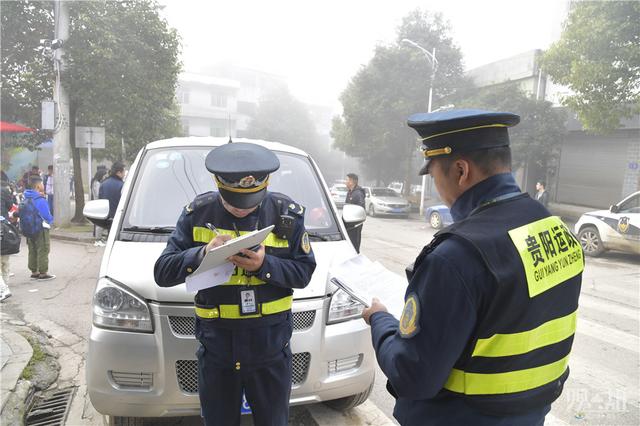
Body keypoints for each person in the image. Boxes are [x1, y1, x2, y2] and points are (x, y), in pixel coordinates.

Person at [362, 109, 583, 426]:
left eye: (434, 174)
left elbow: (413, 376)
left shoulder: (455, 257)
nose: (436, 185)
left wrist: (380, 321)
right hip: (531, 415)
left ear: (461, 170)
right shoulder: (554, 228)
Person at [154, 142, 316, 426]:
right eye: (232, 202)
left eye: (251, 203)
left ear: (265, 186)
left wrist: (265, 266)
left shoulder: (286, 214)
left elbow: (304, 273)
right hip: (217, 351)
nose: (241, 210)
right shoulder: (197, 215)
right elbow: (162, 272)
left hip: (271, 349)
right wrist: (203, 253)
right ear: (218, 185)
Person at [22, 176, 55, 280]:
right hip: (41, 228)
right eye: (42, 184)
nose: (43, 186)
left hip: (29, 229)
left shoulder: (26, 197)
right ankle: (43, 272)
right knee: (43, 249)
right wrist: (51, 220)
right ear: (37, 186)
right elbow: (46, 216)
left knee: (32, 250)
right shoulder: (40, 199)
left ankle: (34, 271)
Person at [344, 173, 366, 253]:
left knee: (354, 245)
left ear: (351, 181)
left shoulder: (358, 194)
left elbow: (361, 209)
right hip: (348, 223)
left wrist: (355, 221)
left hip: (354, 225)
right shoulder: (350, 192)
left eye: (347, 180)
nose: (345, 182)